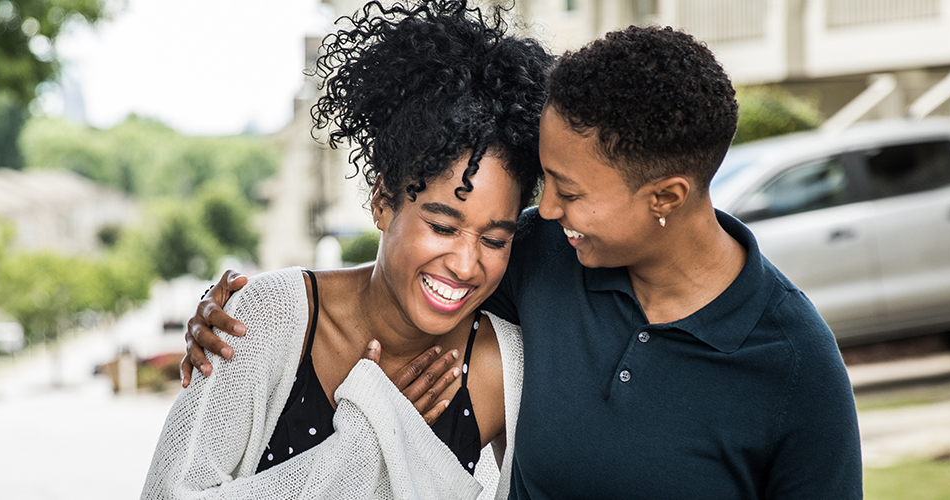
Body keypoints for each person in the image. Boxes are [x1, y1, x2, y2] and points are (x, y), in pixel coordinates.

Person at [184, 25, 862, 499]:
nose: (550, 210)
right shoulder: (539, 254)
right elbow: (407, 272)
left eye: (569, 190)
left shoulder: (793, 365)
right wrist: (247, 310)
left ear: (666, 197)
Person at [141, 2, 552, 498]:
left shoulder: (500, 369)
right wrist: (368, 443)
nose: (466, 265)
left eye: (494, 239)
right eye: (443, 227)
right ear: (382, 202)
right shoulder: (265, 319)